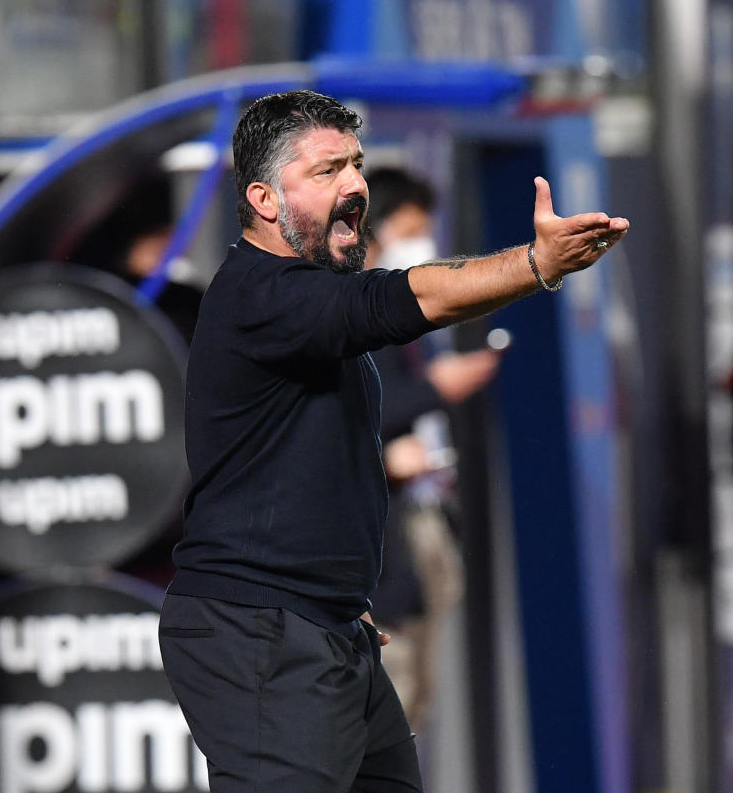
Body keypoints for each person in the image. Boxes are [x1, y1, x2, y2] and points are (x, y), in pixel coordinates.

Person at [158, 89, 628, 793]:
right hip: (259, 634)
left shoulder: (309, 303)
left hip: (327, 624)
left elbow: (307, 462)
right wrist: (538, 262)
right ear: (262, 199)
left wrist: (342, 596)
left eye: (356, 165)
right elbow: (408, 298)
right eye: (326, 172)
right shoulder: (262, 296)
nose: (354, 187)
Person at [364, 167, 501, 735]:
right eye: (412, 227)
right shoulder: (340, 318)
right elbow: (342, 424)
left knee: (412, 714)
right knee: (380, 726)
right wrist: (435, 389)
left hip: (415, 546)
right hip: (377, 576)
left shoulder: (393, 312)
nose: (422, 241)